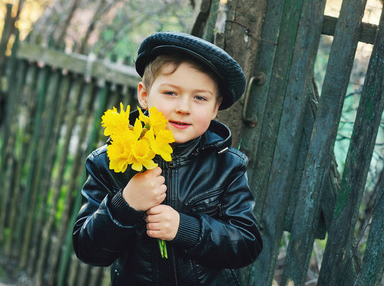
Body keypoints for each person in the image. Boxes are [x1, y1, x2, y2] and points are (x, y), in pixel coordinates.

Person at [72, 31, 262, 285]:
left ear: (215, 108)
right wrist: (125, 204)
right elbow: (89, 250)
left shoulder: (227, 166)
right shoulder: (108, 162)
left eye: (200, 98)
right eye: (171, 93)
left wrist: (186, 229)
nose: (184, 107)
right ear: (144, 95)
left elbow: (247, 244)